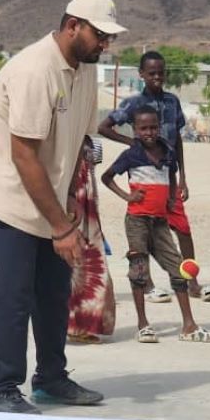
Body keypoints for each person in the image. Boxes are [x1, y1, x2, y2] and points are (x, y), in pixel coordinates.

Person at [0, 0, 122, 414]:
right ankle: (2, 389)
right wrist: (60, 226)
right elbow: (24, 155)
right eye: (99, 35)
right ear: (73, 25)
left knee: (54, 289)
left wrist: (70, 206)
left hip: (48, 195)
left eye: (110, 37)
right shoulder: (35, 70)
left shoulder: (85, 69)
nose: (105, 44)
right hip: (3, 196)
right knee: (15, 290)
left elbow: (78, 144)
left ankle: (51, 380)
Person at [98, 50, 210, 303]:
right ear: (141, 74)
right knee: (144, 232)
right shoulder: (133, 104)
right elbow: (104, 127)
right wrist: (132, 144)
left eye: (161, 73)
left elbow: (177, 141)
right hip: (144, 178)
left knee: (183, 229)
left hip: (169, 178)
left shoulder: (172, 102)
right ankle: (150, 285)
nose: (157, 77)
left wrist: (183, 176)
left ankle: (191, 281)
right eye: (151, 73)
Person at [101, 107, 210, 343]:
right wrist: (127, 196)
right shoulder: (131, 154)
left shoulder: (167, 151)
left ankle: (188, 325)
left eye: (153, 127)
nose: (149, 132)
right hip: (137, 221)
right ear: (135, 130)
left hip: (160, 222)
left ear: (159, 127)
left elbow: (172, 176)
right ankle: (143, 324)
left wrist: (172, 197)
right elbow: (107, 177)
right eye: (143, 128)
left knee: (178, 269)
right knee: (139, 270)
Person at [67, 137, 116, 343]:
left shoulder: (95, 145)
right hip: (66, 206)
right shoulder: (62, 138)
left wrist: (94, 216)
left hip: (88, 213)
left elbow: (92, 180)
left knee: (89, 267)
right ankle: (71, 324)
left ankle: (83, 324)